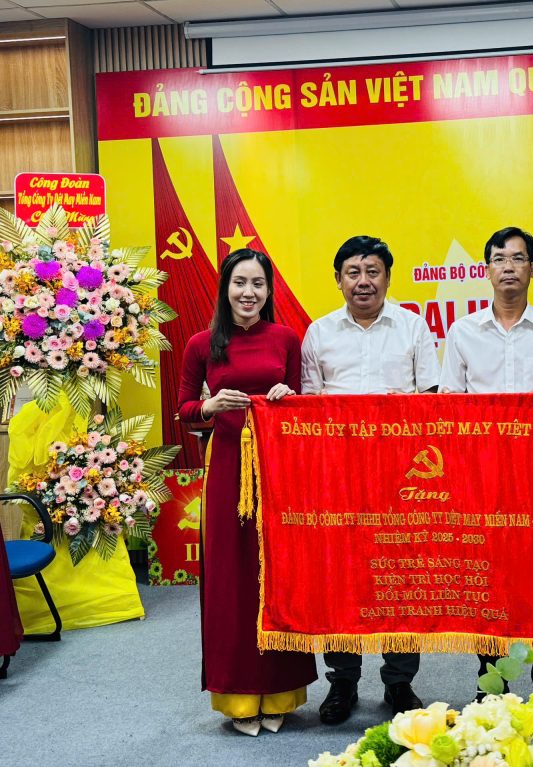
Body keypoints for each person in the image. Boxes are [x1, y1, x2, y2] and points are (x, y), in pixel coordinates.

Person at [440, 226, 533, 716]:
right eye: (499, 258)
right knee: (488, 579)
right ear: (487, 270)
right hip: (481, 476)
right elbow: (449, 408)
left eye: (518, 258)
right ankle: (491, 684)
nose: (508, 267)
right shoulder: (463, 332)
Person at [301, 235, 440, 725]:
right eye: (353, 272)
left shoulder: (413, 327)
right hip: (338, 477)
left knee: (400, 576)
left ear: (387, 277)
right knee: (341, 578)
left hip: (400, 476)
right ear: (338, 279)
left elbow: (432, 402)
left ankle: (399, 681)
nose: (363, 281)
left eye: (373, 271)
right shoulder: (318, 333)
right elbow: (308, 410)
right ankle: (342, 680)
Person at [177, 248, 316, 737]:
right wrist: (210, 405)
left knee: (276, 576)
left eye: (258, 284)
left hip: (277, 470)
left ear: (268, 290)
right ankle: (237, 696)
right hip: (226, 467)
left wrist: (288, 397)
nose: (249, 293)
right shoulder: (201, 344)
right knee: (231, 579)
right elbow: (184, 409)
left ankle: (280, 692)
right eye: (240, 283)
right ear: (225, 288)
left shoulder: (286, 338)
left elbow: (302, 402)